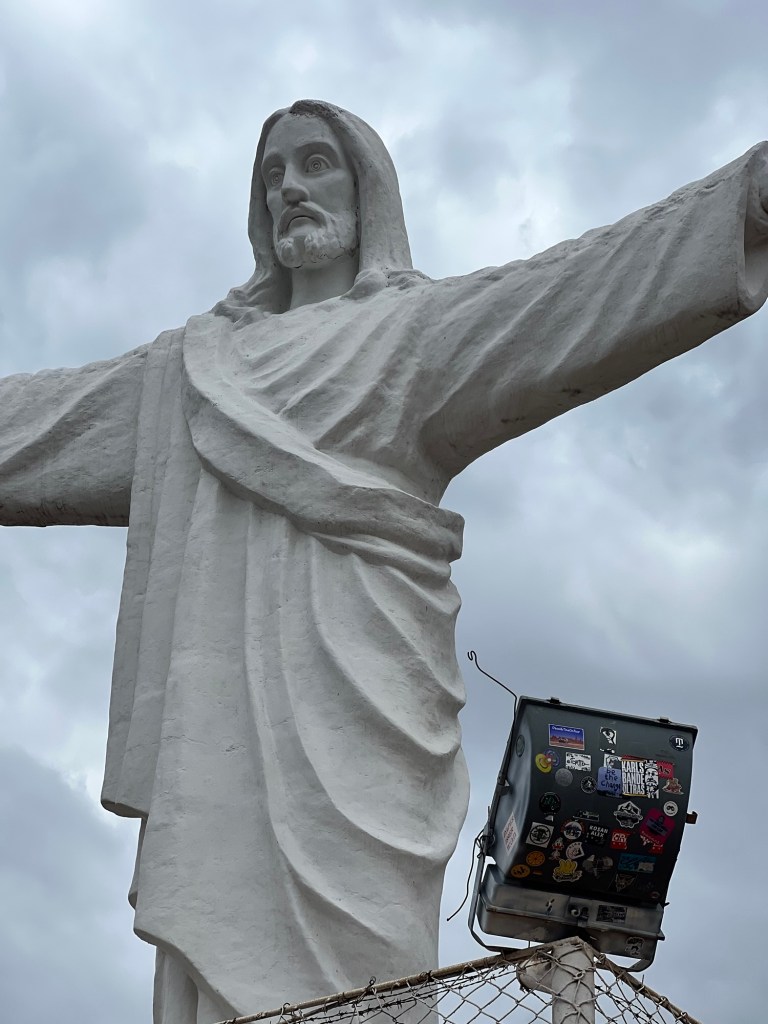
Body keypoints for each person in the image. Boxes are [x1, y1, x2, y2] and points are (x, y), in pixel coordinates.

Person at [1, 99, 767, 1024]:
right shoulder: (194, 370)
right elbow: (39, 427)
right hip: (224, 734)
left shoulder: (415, 334)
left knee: (366, 985)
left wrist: (743, 202)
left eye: (316, 163)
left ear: (369, 191)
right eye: (272, 174)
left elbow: (577, 290)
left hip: (364, 711)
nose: (290, 187)